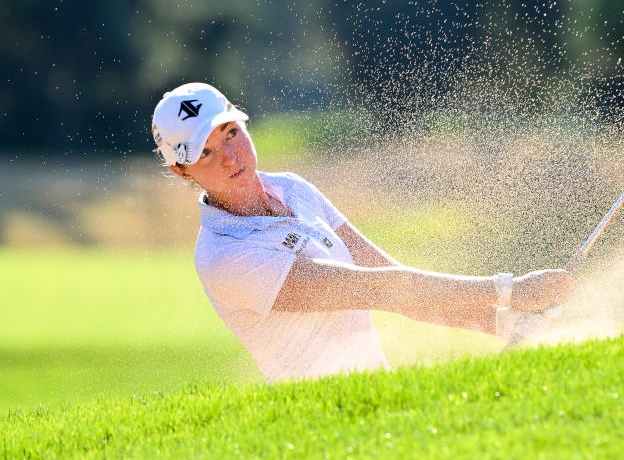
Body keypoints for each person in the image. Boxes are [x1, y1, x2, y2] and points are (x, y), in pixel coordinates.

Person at [151, 83, 574, 382]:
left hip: (372, 394)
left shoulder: (294, 189)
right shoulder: (226, 257)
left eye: (231, 134)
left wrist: (503, 323)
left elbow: (398, 282)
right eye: (205, 152)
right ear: (181, 169)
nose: (230, 157)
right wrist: (506, 290)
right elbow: (382, 290)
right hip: (314, 421)